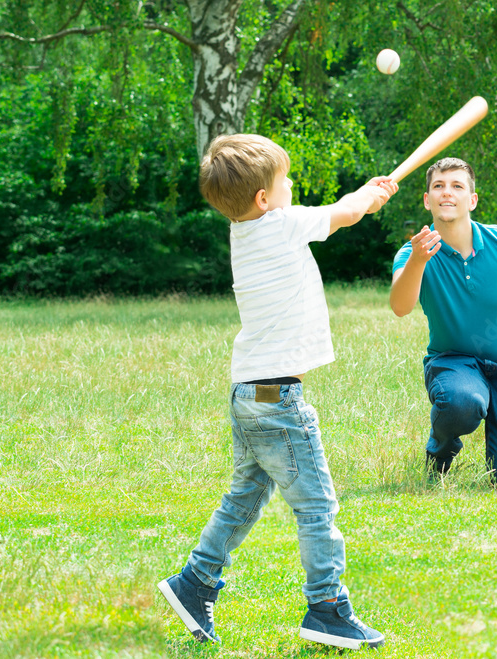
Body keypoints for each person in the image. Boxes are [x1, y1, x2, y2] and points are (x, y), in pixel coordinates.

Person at [157, 133, 397, 650]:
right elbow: (348, 213)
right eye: (284, 180)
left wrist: (361, 195)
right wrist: (372, 195)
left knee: (246, 495)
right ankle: (327, 609)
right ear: (265, 199)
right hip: (277, 399)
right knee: (317, 507)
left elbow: (339, 210)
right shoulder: (283, 226)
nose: (290, 186)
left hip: (249, 393)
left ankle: (193, 582)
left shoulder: (243, 231)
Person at [389, 157, 497, 487]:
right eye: (438, 186)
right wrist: (418, 261)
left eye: (457, 186)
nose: (447, 193)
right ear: (427, 200)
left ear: (472, 199)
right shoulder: (411, 254)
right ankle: (440, 451)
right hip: (454, 363)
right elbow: (400, 307)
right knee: (462, 403)